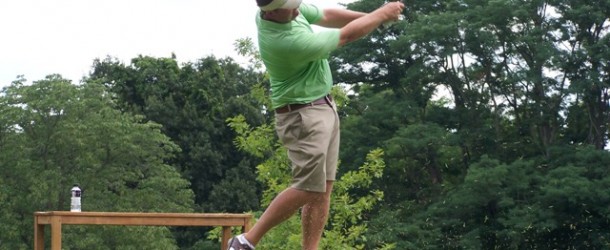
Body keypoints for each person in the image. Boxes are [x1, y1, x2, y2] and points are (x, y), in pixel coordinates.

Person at [228, 0, 405, 249]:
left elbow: (327, 14)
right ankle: (246, 240)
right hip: (302, 116)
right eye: (291, 7)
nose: (298, 9)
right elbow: (346, 35)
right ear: (274, 11)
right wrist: (381, 14)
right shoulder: (286, 42)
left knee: (323, 189)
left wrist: (375, 17)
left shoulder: (283, 12)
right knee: (309, 188)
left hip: (323, 106)